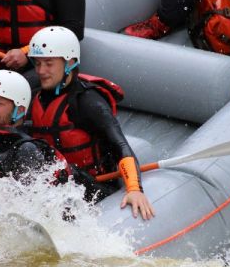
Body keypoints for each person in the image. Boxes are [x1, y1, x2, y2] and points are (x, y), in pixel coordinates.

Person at [26, 26, 155, 220]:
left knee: (68, 176)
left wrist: (135, 189)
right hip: (55, 184)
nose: (41, 71)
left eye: (48, 64)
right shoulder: (35, 96)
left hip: (95, 186)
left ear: (69, 62)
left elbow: (120, 145)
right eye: (37, 64)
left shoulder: (88, 101)